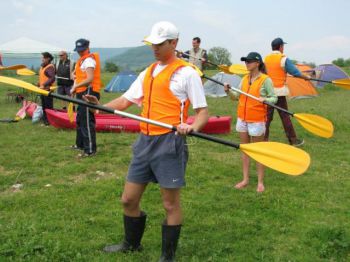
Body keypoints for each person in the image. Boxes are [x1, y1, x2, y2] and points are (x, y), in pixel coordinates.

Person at [84, 21, 208, 261]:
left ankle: (167, 256)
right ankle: (132, 244)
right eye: (152, 44)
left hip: (170, 143)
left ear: (174, 43)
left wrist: (191, 127)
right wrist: (98, 108)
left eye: (160, 44)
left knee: (170, 204)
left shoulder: (187, 73)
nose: (155, 48)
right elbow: (124, 101)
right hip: (144, 142)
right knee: (128, 199)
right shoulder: (148, 72)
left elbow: (202, 112)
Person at [224, 52, 277, 193]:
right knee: (245, 150)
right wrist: (228, 91)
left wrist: (266, 100)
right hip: (242, 119)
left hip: (257, 120)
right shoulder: (244, 79)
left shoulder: (266, 80)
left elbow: (274, 98)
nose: (246, 63)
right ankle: (245, 179)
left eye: (249, 61)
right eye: (245, 61)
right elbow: (236, 97)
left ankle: (260, 182)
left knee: (258, 151)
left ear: (257, 63)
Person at [264, 38, 311, 146]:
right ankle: (293, 140)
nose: (283, 48)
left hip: (268, 92)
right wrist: (306, 77)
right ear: (280, 46)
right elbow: (295, 72)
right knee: (285, 116)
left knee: (266, 117)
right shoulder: (283, 59)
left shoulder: (266, 59)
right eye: (283, 46)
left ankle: (263, 139)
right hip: (279, 93)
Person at [70, 39, 101, 157]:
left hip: (89, 92)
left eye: (82, 50)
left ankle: (90, 150)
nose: (80, 52)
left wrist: (75, 86)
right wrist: (75, 86)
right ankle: (80, 145)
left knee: (87, 121)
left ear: (87, 48)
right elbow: (77, 76)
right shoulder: (81, 61)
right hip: (81, 91)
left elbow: (90, 78)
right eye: (78, 50)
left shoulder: (89, 60)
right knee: (80, 119)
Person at [38, 52, 55, 126]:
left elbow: (52, 78)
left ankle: (50, 122)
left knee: (48, 107)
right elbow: (44, 77)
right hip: (42, 89)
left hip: (48, 90)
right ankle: (46, 121)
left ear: (48, 58)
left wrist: (44, 84)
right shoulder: (43, 66)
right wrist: (39, 84)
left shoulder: (50, 67)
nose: (41, 59)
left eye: (43, 58)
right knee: (44, 106)